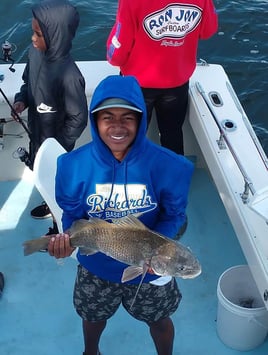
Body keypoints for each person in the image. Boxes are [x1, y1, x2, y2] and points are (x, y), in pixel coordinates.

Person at [47, 74, 194, 355]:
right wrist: (68, 241)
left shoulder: (173, 166)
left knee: (160, 320)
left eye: (127, 117)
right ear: (95, 121)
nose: (117, 126)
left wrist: (156, 251)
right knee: (92, 317)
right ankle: (91, 352)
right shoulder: (70, 165)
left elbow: (175, 214)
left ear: (140, 121)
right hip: (96, 268)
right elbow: (72, 214)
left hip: (151, 268)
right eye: (107, 117)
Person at [12, 0, 88, 229]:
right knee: (44, 178)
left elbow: (79, 118)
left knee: (60, 186)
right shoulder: (33, 54)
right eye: (32, 32)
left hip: (56, 146)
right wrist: (21, 100)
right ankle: (50, 206)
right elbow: (28, 83)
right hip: (36, 132)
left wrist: (57, 148)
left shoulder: (70, 75)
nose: (33, 39)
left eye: (38, 34)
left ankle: (60, 229)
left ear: (56, 35)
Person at [106, 0, 218, 155]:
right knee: (172, 134)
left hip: (137, 84)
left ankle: (131, 175)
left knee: (131, 137)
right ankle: (175, 176)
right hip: (177, 81)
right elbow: (208, 31)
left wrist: (112, 57)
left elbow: (118, 49)